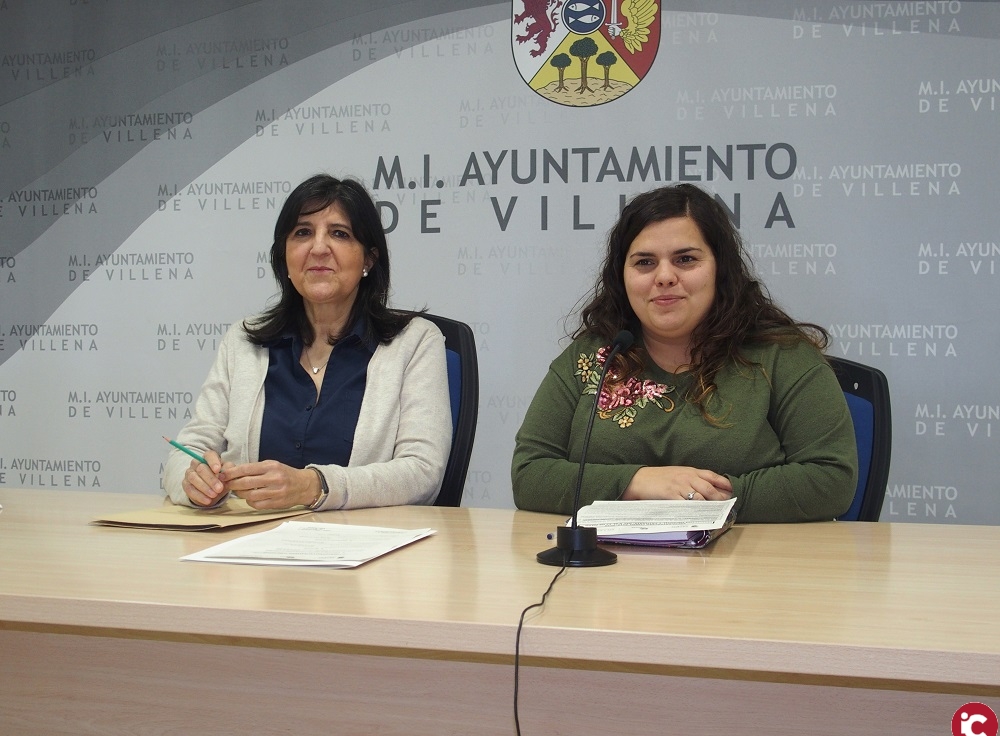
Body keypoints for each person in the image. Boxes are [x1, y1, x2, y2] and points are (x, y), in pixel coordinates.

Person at [512, 183, 858, 523]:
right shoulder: (593, 357)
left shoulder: (782, 354)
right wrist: (637, 482)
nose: (664, 276)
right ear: (622, 275)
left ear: (720, 268)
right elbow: (529, 473)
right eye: (644, 262)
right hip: (611, 557)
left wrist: (704, 499)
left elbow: (831, 479)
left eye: (686, 259)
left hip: (750, 556)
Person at [164, 174, 452, 511]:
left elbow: (422, 472)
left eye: (339, 234)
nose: (318, 248)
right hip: (248, 539)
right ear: (284, 256)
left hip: (363, 540)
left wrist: (316, 486)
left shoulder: (415, 342)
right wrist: (193, 480)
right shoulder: (243, 341)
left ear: (369, 259)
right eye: (302, 232)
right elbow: (190, 448)